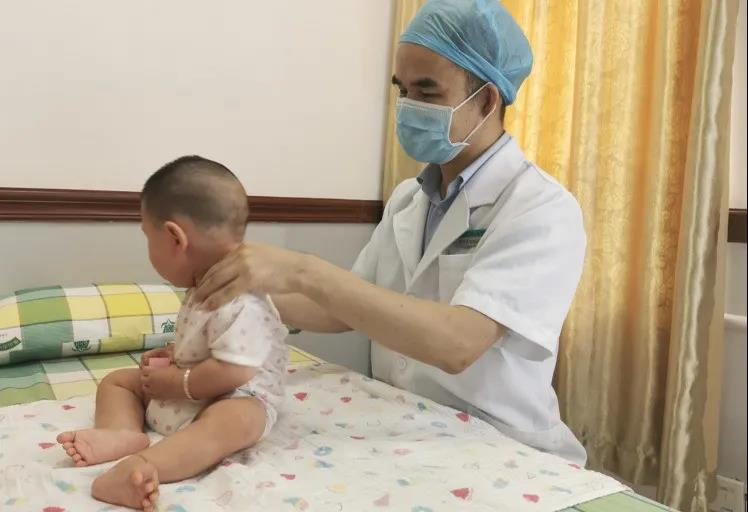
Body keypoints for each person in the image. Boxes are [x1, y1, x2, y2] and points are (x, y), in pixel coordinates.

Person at [194, 0, 587, 465]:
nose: (408, 107)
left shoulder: (541, 209)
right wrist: (239, 291)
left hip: (503, 447)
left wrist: (301, 270)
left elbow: (458, 343)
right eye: (403, 89)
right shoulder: (409, 199)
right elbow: (345, 307)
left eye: (427, 91)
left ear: (486, 100)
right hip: (408, 427)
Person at [56, 156, 288, 511]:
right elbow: (210, 342)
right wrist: (175, 353)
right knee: (119, 382)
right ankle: (121, 433)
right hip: (193, 382)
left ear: (174, 238)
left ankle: (144, 467)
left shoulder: (241, 299)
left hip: (238, 393)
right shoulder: (202, 286)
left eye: (148, 238)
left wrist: (179, 382)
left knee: (236, 420)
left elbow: (236, 370)